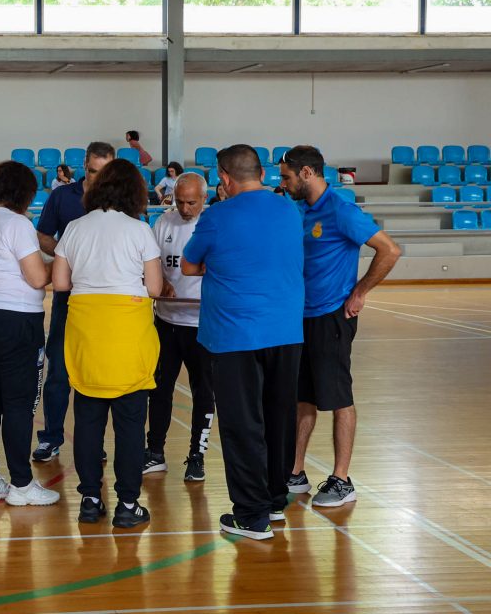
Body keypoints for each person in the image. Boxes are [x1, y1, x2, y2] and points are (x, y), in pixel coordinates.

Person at [181, 144, 304, 540]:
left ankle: (251, 515)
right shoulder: (288, 209)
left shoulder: (217, 215)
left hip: (235, 336)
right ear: (263, 175)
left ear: (225, 178)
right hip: (285, 332)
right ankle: (273, 499)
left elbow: (188, 264)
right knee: (278, 416)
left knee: (242, 424)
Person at [279, 145, 401, 507]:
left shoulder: (341, 210)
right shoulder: (299, 209)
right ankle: (296, 471)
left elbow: (389, 251)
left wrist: (360, 291)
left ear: (306, 173)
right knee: (303, 399)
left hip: (332, 317)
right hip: (299, 318)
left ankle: (342, 479)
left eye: (286, 177)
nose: (282, 184)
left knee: (338, 398)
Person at [52, 159, 163, 528]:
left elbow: (62, 283)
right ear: (135, 192)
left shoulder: (74, 228)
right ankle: (127, 505)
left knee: (87, 421)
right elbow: (155, 288)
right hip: (127, 334)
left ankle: (88, 498)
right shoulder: (139, 230)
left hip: (86, 333)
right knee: (130, 425)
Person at [0, 160, 57, 507]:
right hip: (16, 320)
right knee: (19, 403)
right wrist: (63, 261)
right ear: (24, 192)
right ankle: (21, 484)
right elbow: (37, 278)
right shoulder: (17, 223)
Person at [34, 141, 115, 463]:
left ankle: (93, 442)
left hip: (107, 301)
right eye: (94, 171)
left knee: (99, 373)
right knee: (59, 371)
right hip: (68, 298)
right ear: (84, 166)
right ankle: (51, 437)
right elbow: (41, 234)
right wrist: (67, 254)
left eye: (105, 172)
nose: (98, 179)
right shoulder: (62, 196)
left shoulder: (120, 203)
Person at [146, 173, 214, 481]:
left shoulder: (214, 223)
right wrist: (160, 283)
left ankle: (196, 456)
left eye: (191, 202)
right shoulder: (163, 223)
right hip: (167, 321)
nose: (185, 208)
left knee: (204, 391)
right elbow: (153, 261)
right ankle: (155, 452)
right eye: (179, 201)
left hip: (202, 324)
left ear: (204, 198)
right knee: (160, 388)